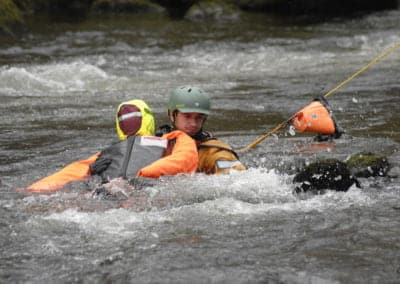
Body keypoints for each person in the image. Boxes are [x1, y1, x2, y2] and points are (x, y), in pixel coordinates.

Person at [25, 99, 198, 193]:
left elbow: (73, 171)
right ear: (149, 121)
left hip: (107, 189)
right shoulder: (173, 138)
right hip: (143, 188)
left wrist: (33, 189)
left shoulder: (108, 152)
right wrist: (145, 173)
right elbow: (184, 158)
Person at [157, 85, 246, 174]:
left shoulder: (213, 152)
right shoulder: (159, 142)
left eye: (199, 117)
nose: (193, 123)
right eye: (187, 116)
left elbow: (236, 175)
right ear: (172, 115)